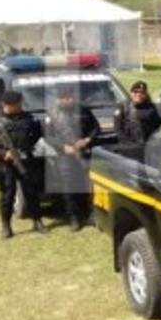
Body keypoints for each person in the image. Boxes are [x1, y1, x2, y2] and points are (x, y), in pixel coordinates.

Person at [0, 90, 45, 239]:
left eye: (19, 104)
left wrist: (27, 147)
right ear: (5, 105)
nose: (18, 107)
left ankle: (37, 221)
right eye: (15, 105)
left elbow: (37, 133)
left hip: (26, 160)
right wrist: (2, 153)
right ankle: (6, 226)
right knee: (7, 195)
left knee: (31, 192)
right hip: (6, 163)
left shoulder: (28, 118)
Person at [44, 86, 99, 231]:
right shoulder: (52, 114)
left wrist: (87, 140)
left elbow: (96, 128)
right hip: (65, 156)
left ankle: (91, 214)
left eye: (71, 97)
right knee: (69, 188)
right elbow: (48, 137)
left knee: (88, 186)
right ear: (59, 99)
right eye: (65, 97)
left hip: (84, 153)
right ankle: (74, 217)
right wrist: (63, 147)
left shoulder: (83, 110)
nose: (69, 100)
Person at [115, 81, 161, 146]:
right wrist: (127, 144)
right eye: (136, 92)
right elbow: (119, 129)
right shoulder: (123, 107)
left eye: (142, 92)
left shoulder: (151, 107)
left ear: (145, 94)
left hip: (148, 145)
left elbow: (157, 127)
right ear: (131, 93)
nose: (138, 94)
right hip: (130, 146)